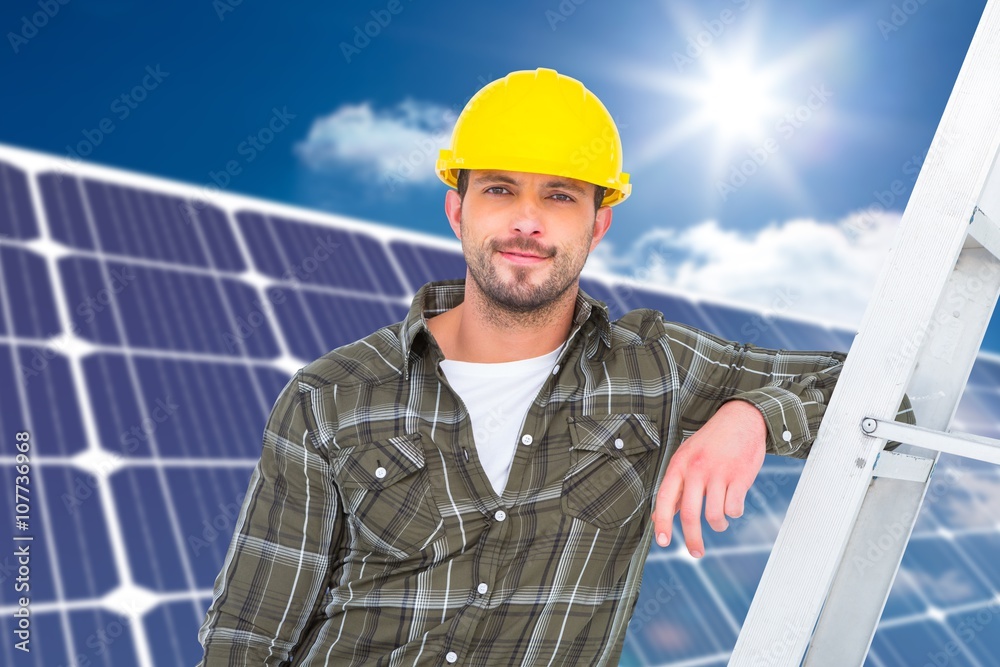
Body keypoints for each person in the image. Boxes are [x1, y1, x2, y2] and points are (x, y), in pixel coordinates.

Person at [198, 67, 912, 666]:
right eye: (500, 189)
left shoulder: (655, 370)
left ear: (599, 222)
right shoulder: (331, 396)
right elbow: (246, 634)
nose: (527, 221)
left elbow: (887, 397)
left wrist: (751, 415)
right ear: (458, 209)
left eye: (560, 195)